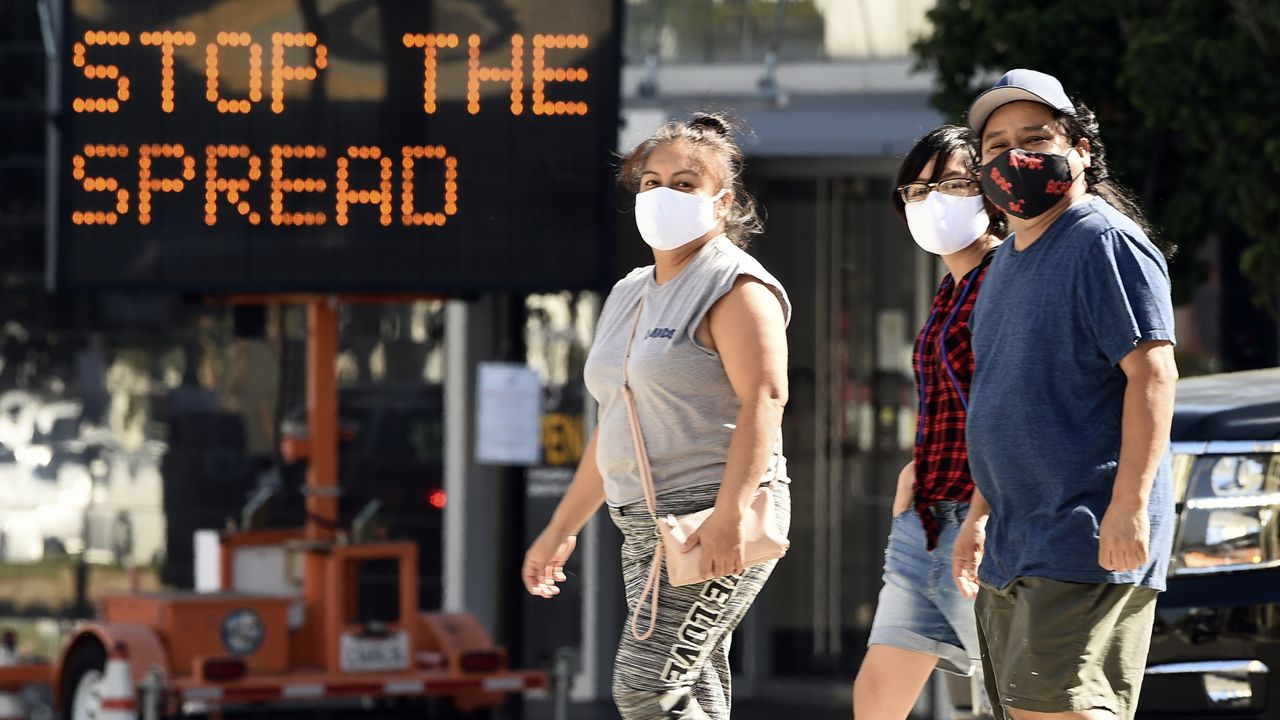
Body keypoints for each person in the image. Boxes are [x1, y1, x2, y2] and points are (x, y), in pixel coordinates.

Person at [521, 112, 792, 720]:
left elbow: (765, 401)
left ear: (722, 204)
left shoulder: (736, 285)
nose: (664, 193)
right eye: (651, 181)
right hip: (642, 521)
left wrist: (728, 516)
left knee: (644, 689)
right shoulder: (629, 292)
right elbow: (618, 425)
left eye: (686, 182)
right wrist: (562, 527)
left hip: (710, 510)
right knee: (695, 693)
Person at [953, 69, 1179, 720]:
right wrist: (978, 515)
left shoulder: (1103, 242)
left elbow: (1153, 374)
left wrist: (1130, 507)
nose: (1014, 156)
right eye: (996, 145)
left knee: (1061, 711)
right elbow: (1004, 400)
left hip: (1085, 536)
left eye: (1036, 136)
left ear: (1080, 149)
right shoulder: (1001, 265)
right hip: (1014, 543)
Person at [852, 125, 1005, 720]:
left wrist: (982, 512)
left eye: (952, 183)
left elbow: (1011, 409)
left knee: (1007, 697)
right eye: (916, 190)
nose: (931, 200)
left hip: (982, 519)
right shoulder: (950, 289)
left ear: (991, 194)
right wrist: (914, 474)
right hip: (927, 520)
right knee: (878, 693)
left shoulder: (1005, 278)